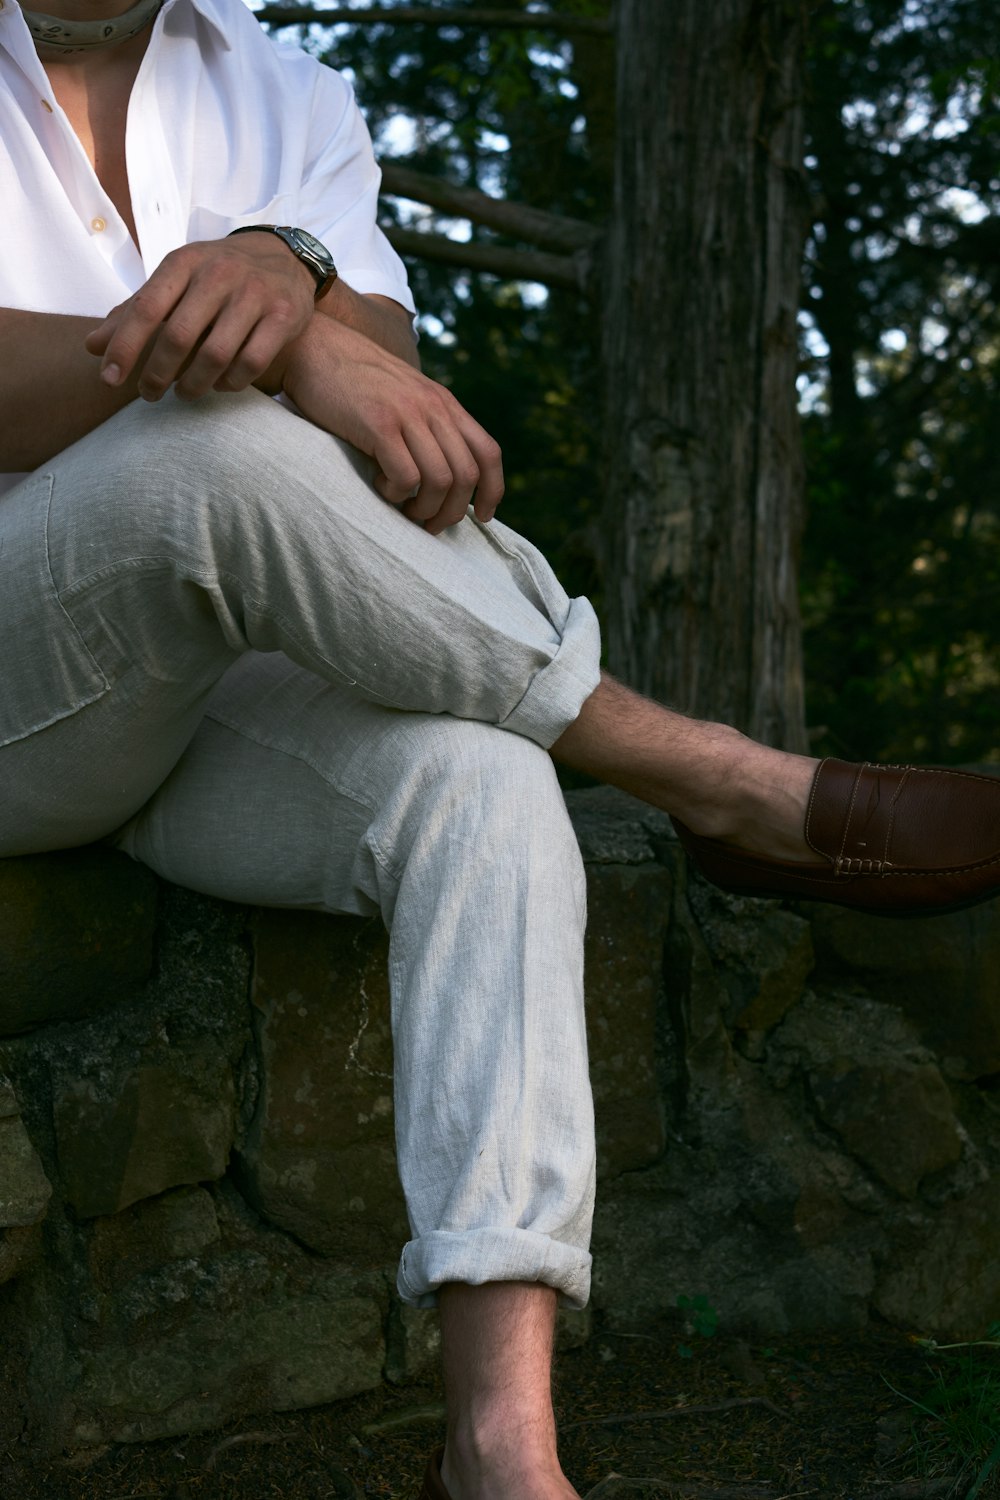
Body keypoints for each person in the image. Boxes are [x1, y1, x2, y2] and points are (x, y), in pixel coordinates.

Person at [1, 0, 998, 1493]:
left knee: (485, 778)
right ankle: (710, 773)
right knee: (199, 445)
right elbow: (309, 391)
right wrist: (296, 353)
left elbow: (387, 379)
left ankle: (501, 1444)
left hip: (205, 699)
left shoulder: (287, 90)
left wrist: (290, 273)